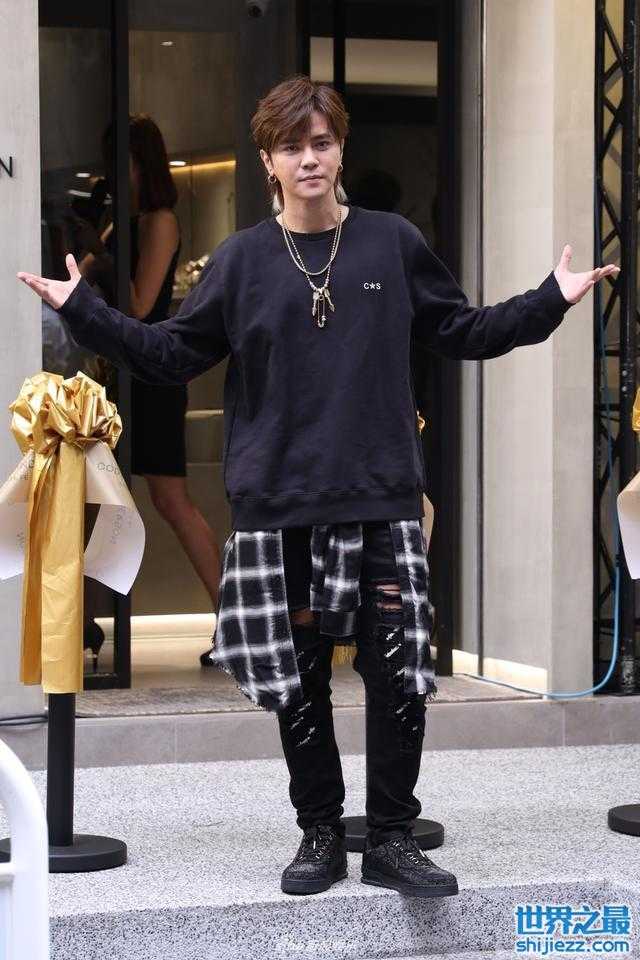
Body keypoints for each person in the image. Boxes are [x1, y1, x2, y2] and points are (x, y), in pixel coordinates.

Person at [17, 74, 620, 900]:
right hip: (280, 505)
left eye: (322, 142)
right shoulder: (240, 261)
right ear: (268, 161)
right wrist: (83, 309)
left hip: (380, 498)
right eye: (292, 146)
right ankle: (321, 833)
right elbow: (170, 353)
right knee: (299, 680)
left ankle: (393, 838)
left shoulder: (391, 243)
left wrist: (550, 300)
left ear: (340, 151)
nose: (309, 158)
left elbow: (462, 328)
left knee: (398, 674)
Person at [74, 114, 222, 663]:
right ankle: (80, 620)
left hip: (153, 375)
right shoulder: (124, 222)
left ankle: (235, 621)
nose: (116, 173)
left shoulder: (160, 222)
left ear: (143, 164)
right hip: (120, 377)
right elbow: (81, 282)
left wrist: (103, 260)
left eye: (125, 162)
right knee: (100, 497)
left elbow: (139, 304)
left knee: (169, 499)